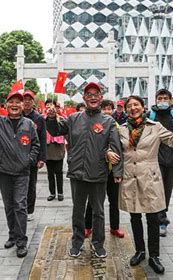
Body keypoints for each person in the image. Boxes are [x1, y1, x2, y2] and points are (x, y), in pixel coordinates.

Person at [107, 95, 173, 274]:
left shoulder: (155, 127)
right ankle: (140, 251)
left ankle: (154, 256)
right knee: (135, 217)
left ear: (143, 108)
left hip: (150, 176)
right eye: (130, 106)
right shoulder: (120, 130)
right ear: (126, 110)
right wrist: (108, 153)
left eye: (136, 105)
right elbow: (113, 147)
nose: (133, 108)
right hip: (130, 177)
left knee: (153, 218)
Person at [46, 82, 123, 259]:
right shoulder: (74, 119)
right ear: (84, 98)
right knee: (77, 211)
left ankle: (98, 244)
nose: (93, 97)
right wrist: (51, 118)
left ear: (101, 98)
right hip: (77, 173)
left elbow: (115, 147)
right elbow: (56, 130)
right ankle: (77, 242)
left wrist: (117, 172)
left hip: (99, 173)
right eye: (89, 94)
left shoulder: (108, 121)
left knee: (98, 211)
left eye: (96, 94)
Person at [0, 90, 40, 258]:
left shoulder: (28, 124)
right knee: (9, 206)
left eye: (18, 102)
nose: (14, 105)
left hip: (22, 172)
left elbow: (35, 145)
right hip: (4, 171)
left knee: (20, 205)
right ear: (6, 105)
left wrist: (30, 160)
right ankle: (12, 235)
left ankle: (21, 242)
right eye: (11, 102)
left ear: (23, 105)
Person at [84, 99, 124, 239]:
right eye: (104, 108)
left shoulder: (117, 126)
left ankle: (115, 227)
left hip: (112, 170)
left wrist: (118, 170)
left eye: (109, 109)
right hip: (98, 168)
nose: (107, 111)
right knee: (93, 200)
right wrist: (106, 151)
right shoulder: (95, 124)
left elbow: (120, 148)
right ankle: (87, 226)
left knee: (114, 201)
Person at [147, 88, 173, 237]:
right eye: (160, 98)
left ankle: (162, 214)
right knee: (157, 190)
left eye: (165, 98)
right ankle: (161, 220)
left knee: (168, 190)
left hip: (172, 160)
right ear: (156, 99)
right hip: (155, 160)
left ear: (170, 100)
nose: (162, 101)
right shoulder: (150, 115)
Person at [22, 90, 47, 221]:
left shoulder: (39, 118)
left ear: (33, 102)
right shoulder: (16, 115)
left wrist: (42, 158)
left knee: (31, 184)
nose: (26, 102)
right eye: (24, 99)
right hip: (18, 156)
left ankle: (29, 210)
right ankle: (19, 209)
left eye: (29, 99)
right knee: (19, 184)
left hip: (33, 156)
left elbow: (43, 138)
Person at [44, 99, 66, 201]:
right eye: (47, 106)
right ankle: (52, 193)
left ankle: (60, 192)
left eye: (51, 105)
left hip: (58, 148)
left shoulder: (61, 118)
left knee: (59, 172)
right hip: (48, 147)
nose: (49, 107)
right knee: (50, 173)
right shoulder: (43, 119)